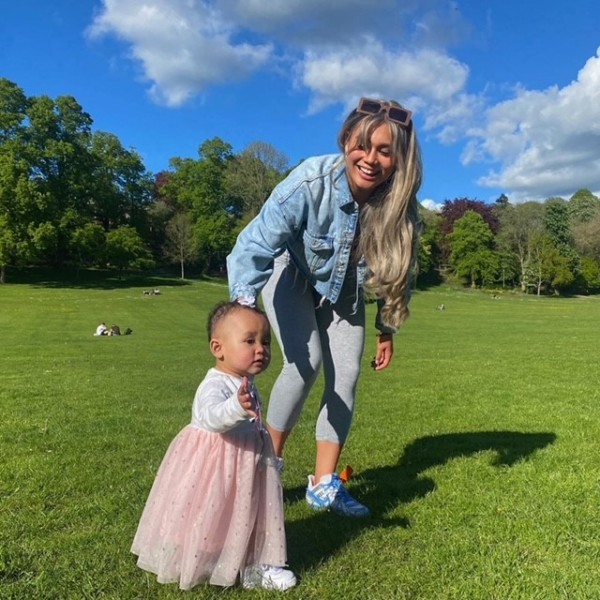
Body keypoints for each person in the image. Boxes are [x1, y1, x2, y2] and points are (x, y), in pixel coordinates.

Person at [227, 97, 422, 518]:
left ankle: (323, 485)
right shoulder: (309, 181)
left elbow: (400, 271)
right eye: (361, 145)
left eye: (384, 151)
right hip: (290, 270)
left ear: (398, 158)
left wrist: (387, 329)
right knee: (305, 363)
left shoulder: (400, 207)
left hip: (346, 289)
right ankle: (267, 471)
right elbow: (255, 244)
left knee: (346, 374)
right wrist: (241, 312)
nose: (370, 159)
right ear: (345, 140)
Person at [131, 301, 296, 591]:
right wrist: (235, 406)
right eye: (249, 341)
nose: (261, 348)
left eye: (265, 341)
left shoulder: (245, 380)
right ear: (218, 348)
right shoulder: (215, 384)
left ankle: (254, 563)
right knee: (211, 512)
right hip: (216, 463)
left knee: (247, 512)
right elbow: (210, 417)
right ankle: (199, 558)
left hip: (244, 460)